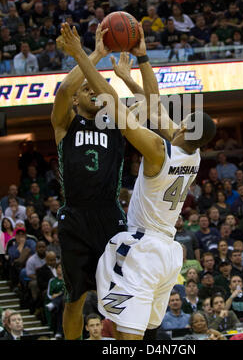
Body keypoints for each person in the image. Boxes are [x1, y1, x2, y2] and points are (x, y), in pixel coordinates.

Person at [60, 22, 216, 340]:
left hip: (141, 248)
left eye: (182, 119)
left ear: (184, 130)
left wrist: (81, 54)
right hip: (169, 252)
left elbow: (117, 105)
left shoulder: (159, 150)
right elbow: (154, 108)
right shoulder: (193, 155)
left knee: (127, 334)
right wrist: (136, 68)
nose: (175, 120)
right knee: (139, 330)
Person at [51, 28, 127, 340]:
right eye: (87, 89)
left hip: (110, 215)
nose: (93, 92)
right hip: (77, 215)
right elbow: (63, 92)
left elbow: (109, 95)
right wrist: (92, 54)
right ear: (78, 97)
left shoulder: (118, 125)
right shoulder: (66, 123)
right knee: (75, 300)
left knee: (121, 298)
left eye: (96, 88)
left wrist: (92, 60)